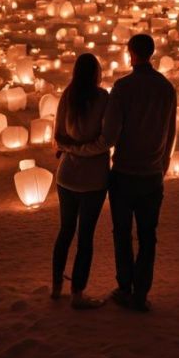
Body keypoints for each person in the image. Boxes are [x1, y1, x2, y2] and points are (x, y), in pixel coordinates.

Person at [60, 33, 177, 312]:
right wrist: (162, 165)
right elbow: (171, 131)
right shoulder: (167, 88)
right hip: (151, 174)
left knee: (122, 233)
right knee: (148, 236)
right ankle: (141, 293)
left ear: (130, 54)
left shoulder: (122, 88)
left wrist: (79, 148)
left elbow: (111, 134)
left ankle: (125, 287)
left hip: (124, 172)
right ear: (151, 53)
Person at [52, 53, 110, 310]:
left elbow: (59, 137)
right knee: (84, 236)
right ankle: (77, 293)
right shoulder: (103, 98)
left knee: (65, 232)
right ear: (97, 73)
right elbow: (105, 141)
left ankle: (56, 288)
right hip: (93, 180)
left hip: (66, 176)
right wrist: (86, 149)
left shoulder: (68, 94)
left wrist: (73, 148)